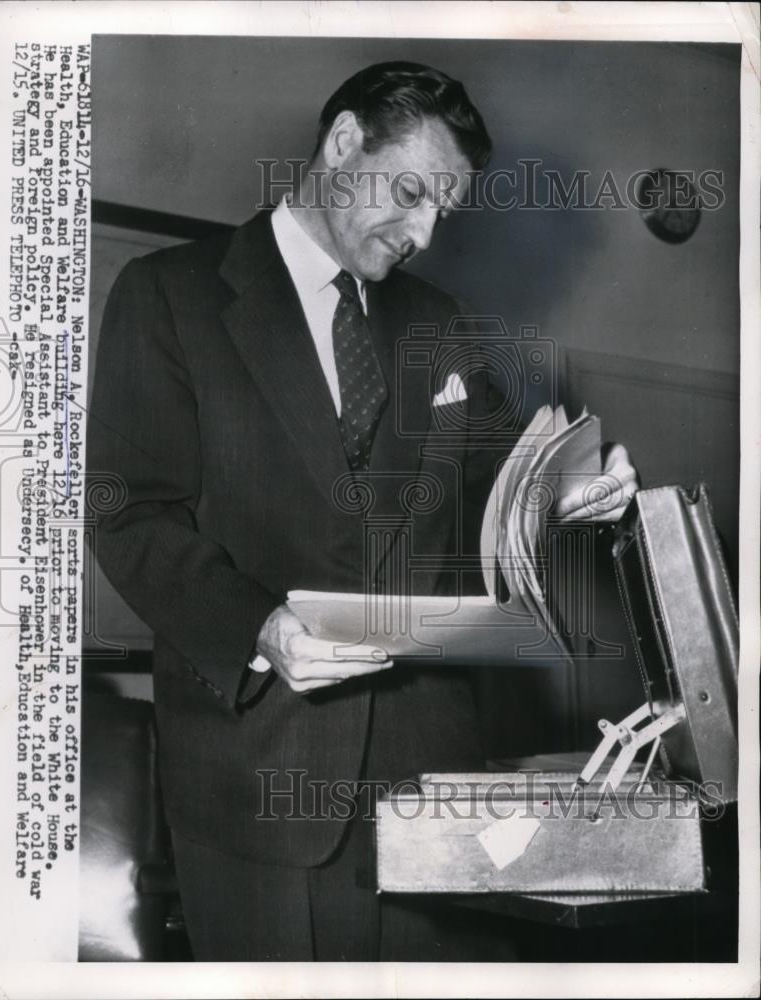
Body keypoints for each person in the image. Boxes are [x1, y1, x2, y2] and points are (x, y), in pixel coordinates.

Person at [88, 61, 637, 961]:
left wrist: (570, 492)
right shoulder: (169, 296)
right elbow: (130, 515)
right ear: (343, 143)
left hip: (431, 783)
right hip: (255, 773)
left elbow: (501, 478)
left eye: (441, 211)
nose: (422, 232)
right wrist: (260, 628)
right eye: (412, 191)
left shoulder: (439, 321)